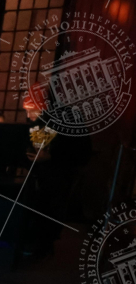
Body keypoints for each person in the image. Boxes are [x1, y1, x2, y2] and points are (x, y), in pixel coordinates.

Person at [20, 91, 91, 257]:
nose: (28, 115)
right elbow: (36, 143)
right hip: (41, 172)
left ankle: (45, 244)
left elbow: (79, 150)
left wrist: (51, 156)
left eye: (32, 109)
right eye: (26, 110)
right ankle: (34, 241)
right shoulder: (41, 120)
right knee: (35, 204)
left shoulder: (68, 118)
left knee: (51, 207)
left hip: (62, 173)